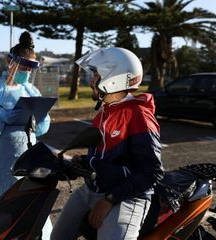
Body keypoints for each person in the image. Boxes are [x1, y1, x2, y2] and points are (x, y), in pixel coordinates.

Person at [51, 47, 164, 240]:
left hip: (127, 195)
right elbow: (106, 157)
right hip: (95, 187)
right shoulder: (105, 112)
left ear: (113, 77)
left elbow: (151, 171)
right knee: (58, 237)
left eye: (96, 74)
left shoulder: (139, 116)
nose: (92, 79)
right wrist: (82, 161)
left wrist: (110, 200)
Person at [0, 31, 53, 237]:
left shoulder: (32, 91)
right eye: (24, 65)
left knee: (34, 219)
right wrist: (1, 118)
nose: (26, 71)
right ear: (10, 60)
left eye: (31, 67)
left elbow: (42, 129)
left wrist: (41, 119)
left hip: (28, 165)